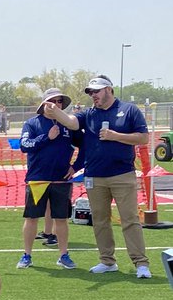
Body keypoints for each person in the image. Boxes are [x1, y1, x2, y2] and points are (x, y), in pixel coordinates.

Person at [44, 74, 151, 278]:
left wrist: (115, 136)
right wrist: (56, 112)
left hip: (122, 174)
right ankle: (107, 261)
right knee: (100, 220)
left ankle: (141, 264)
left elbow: (143, 137)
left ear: (109, 90)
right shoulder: (90, 113)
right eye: (91, 92)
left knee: (130, 220)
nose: (93, 95)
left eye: (97, 91)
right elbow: (73, 123)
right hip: (95, 176)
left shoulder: (129, 110)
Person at [16, 90, 77, 270]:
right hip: (37, 181)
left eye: (60, 101)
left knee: (61, 219)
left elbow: (85, 146)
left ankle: (64, 255)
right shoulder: (32, 124)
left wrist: (75, 166)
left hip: (61, 181)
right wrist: (47, 138)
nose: (57, 104)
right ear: (44, 103)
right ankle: (27, 255)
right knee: (31, 218)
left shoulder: (69, 126)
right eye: (53, 101)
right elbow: (24, 146)